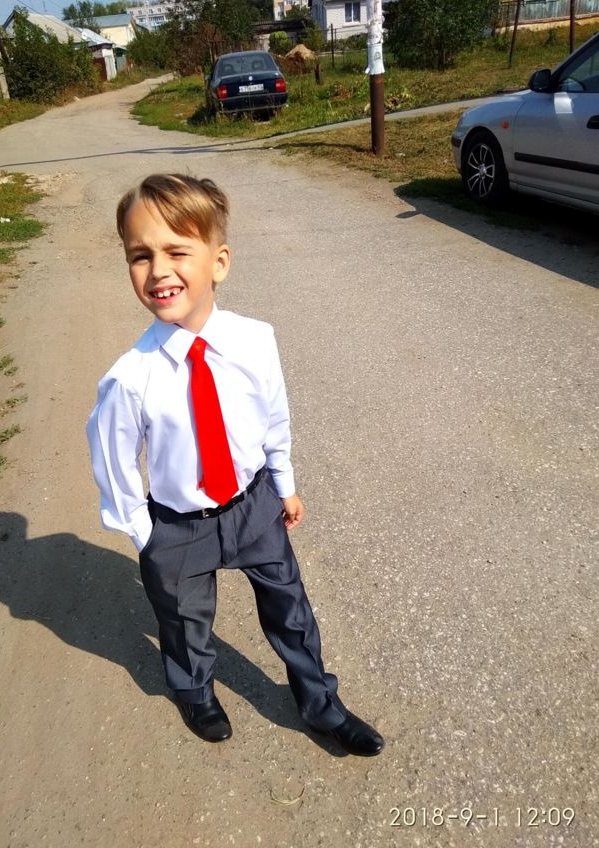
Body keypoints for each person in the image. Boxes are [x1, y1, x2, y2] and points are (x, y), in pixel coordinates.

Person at [86, 173, 384, 756]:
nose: (158, 270)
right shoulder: (130, 377)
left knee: (290, 609)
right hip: (178, 525)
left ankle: (320, 703)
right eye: (140, 256)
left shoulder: (255, 341)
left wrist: (284, 485)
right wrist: (145, 534)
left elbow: (274, 417)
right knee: (183, 619)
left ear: (218, 262)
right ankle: (194, 691)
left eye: (177, 251)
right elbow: (112, 458)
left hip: (252, 506)